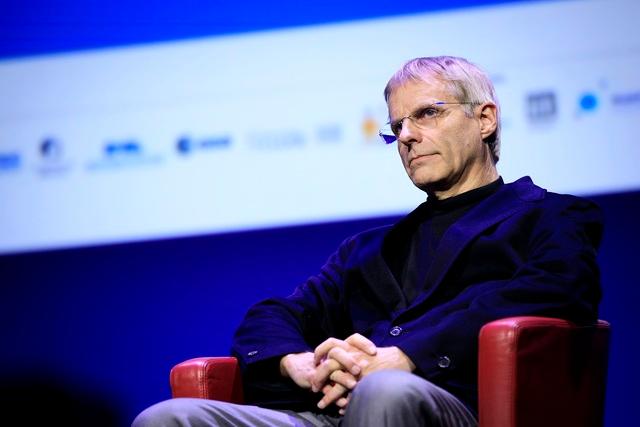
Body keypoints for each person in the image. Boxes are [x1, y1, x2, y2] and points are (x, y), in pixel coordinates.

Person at [133, 56, 602, 427]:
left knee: (384, 391)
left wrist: (407, 356)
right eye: (397, 126)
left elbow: (554, 290)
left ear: (484, 119)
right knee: (168, 418)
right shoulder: (367, 249)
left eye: (428, 114)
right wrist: (301, 364)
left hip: (454, 405)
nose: (408, 136)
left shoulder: (550, 216)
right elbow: (272, 316)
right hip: (338, 411)